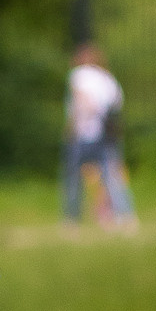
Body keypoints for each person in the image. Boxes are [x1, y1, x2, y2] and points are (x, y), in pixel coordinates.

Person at [63, 42, 139, 231]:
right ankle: (126, 217)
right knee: (113, 177)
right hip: (106, 135)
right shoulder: (108, 79)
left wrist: (72, 126)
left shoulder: (79, 74)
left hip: (83, 133)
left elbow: (81, 99)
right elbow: (116, 105)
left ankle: (71, 221)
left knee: (73, 178)